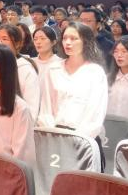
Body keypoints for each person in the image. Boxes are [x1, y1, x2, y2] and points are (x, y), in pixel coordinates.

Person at [37, 22, 108, 171]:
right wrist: (54, 136)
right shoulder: (53, 69)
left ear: (85, 41)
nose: (68, 42)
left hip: (84, 142)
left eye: (74, 38)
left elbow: (95, 115)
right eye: (65, 38)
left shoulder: (95, 72)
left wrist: (77, 141)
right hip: (55, 139)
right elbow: (46, 109)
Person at [0, 24, 41, 122]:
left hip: (16, 123)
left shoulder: (25, 69)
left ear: (17, 43)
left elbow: (31, 108)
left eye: (4, 39)